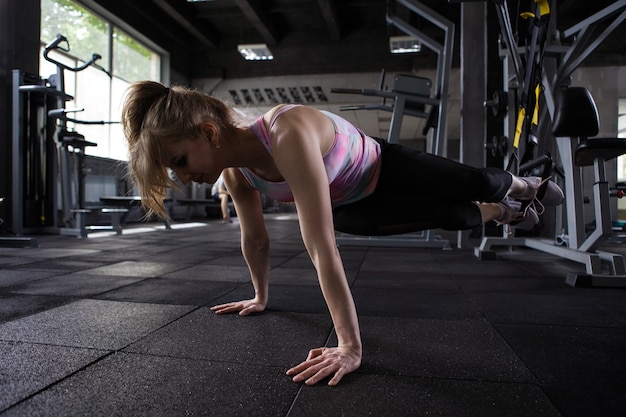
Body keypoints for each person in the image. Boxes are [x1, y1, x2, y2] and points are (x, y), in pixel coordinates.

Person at [121, 81, 563, 387]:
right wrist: (260, 297)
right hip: (352, 206)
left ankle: (524, 185)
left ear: (209, 132)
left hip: (381, 165)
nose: (182, 176)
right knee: (451, 217)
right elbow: (256, 240)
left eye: (179, 161)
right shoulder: (236, 176)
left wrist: (349, 345)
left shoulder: (285, 131)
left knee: (473, 183)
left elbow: (320, 245)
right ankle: (504, 212)